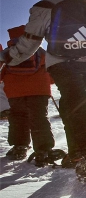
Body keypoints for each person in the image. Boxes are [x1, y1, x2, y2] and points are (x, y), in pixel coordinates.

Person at [0, 0, 86, 178]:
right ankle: (77, 153)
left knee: (74, 101)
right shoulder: (85, 5)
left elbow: (30, 41)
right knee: (73, 101)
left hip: (63, 59)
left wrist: (8, 57)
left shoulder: (45, 5)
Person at [0, 26, 63, 164]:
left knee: (17, 118)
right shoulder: (40, 52)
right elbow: (52, 70)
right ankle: (44, 149)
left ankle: (19, 147)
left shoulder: (7, 53)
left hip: (15, 92)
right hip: (39, 91)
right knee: (39, 118)